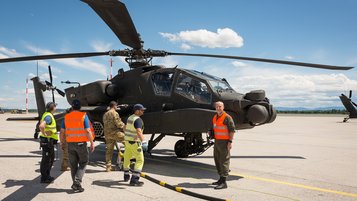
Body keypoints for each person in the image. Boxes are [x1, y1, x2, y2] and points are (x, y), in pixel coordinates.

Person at [60, 99, 94, 192]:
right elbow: (87, 131)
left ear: (72, 107)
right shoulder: (83, 116)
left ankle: (76, 185)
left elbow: (62, 132)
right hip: (81, 144)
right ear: (80, 107)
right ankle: (77, 182)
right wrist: (91, 142)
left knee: (73, 165)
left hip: (70, 144)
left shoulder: (66, 117)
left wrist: (62, 142)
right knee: (83, 162)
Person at [211, 101, 235, 190]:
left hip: (225, 142)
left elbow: (232, 130)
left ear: (223, 107)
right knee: (217, 160)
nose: (218, 108)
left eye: (220, 106)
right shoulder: (215, 117)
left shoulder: (227, 117)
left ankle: (224, 182)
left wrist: (230, 142)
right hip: (217, 141)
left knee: (224, 160)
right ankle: (220, 179)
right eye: (217, 106)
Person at [123, 104, 146, 186]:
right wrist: (143, 141)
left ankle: (126, 176)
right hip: (135, 143)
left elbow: (124, 128)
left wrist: (127, 136)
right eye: (141, 110)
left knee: (127, 158)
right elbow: (139, 131)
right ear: (137, 110)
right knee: (140, 160)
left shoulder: (130, 118)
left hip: (127, 142)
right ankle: (134, 180)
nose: (143, 111)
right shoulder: (138, 120)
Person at [39, 102, 58, 183]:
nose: (56, 108)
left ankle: (47, 176)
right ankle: (44, 177)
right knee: (46, 160)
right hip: (47, 141)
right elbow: (41, 126)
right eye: (55, 107)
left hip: (48, 141)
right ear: (53, 108)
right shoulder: (48, 116)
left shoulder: (46, 114)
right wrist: (44, 133)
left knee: (50, 159)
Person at [103, 101, 125, 172]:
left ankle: (108, 167)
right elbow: (118, 124)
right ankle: (126, 161)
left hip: (107, 134)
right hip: (115, 133)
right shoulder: (115, 113)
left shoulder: (105, 114)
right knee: (128, 141)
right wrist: (125, 127)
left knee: (109, 150)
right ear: (115, 106)